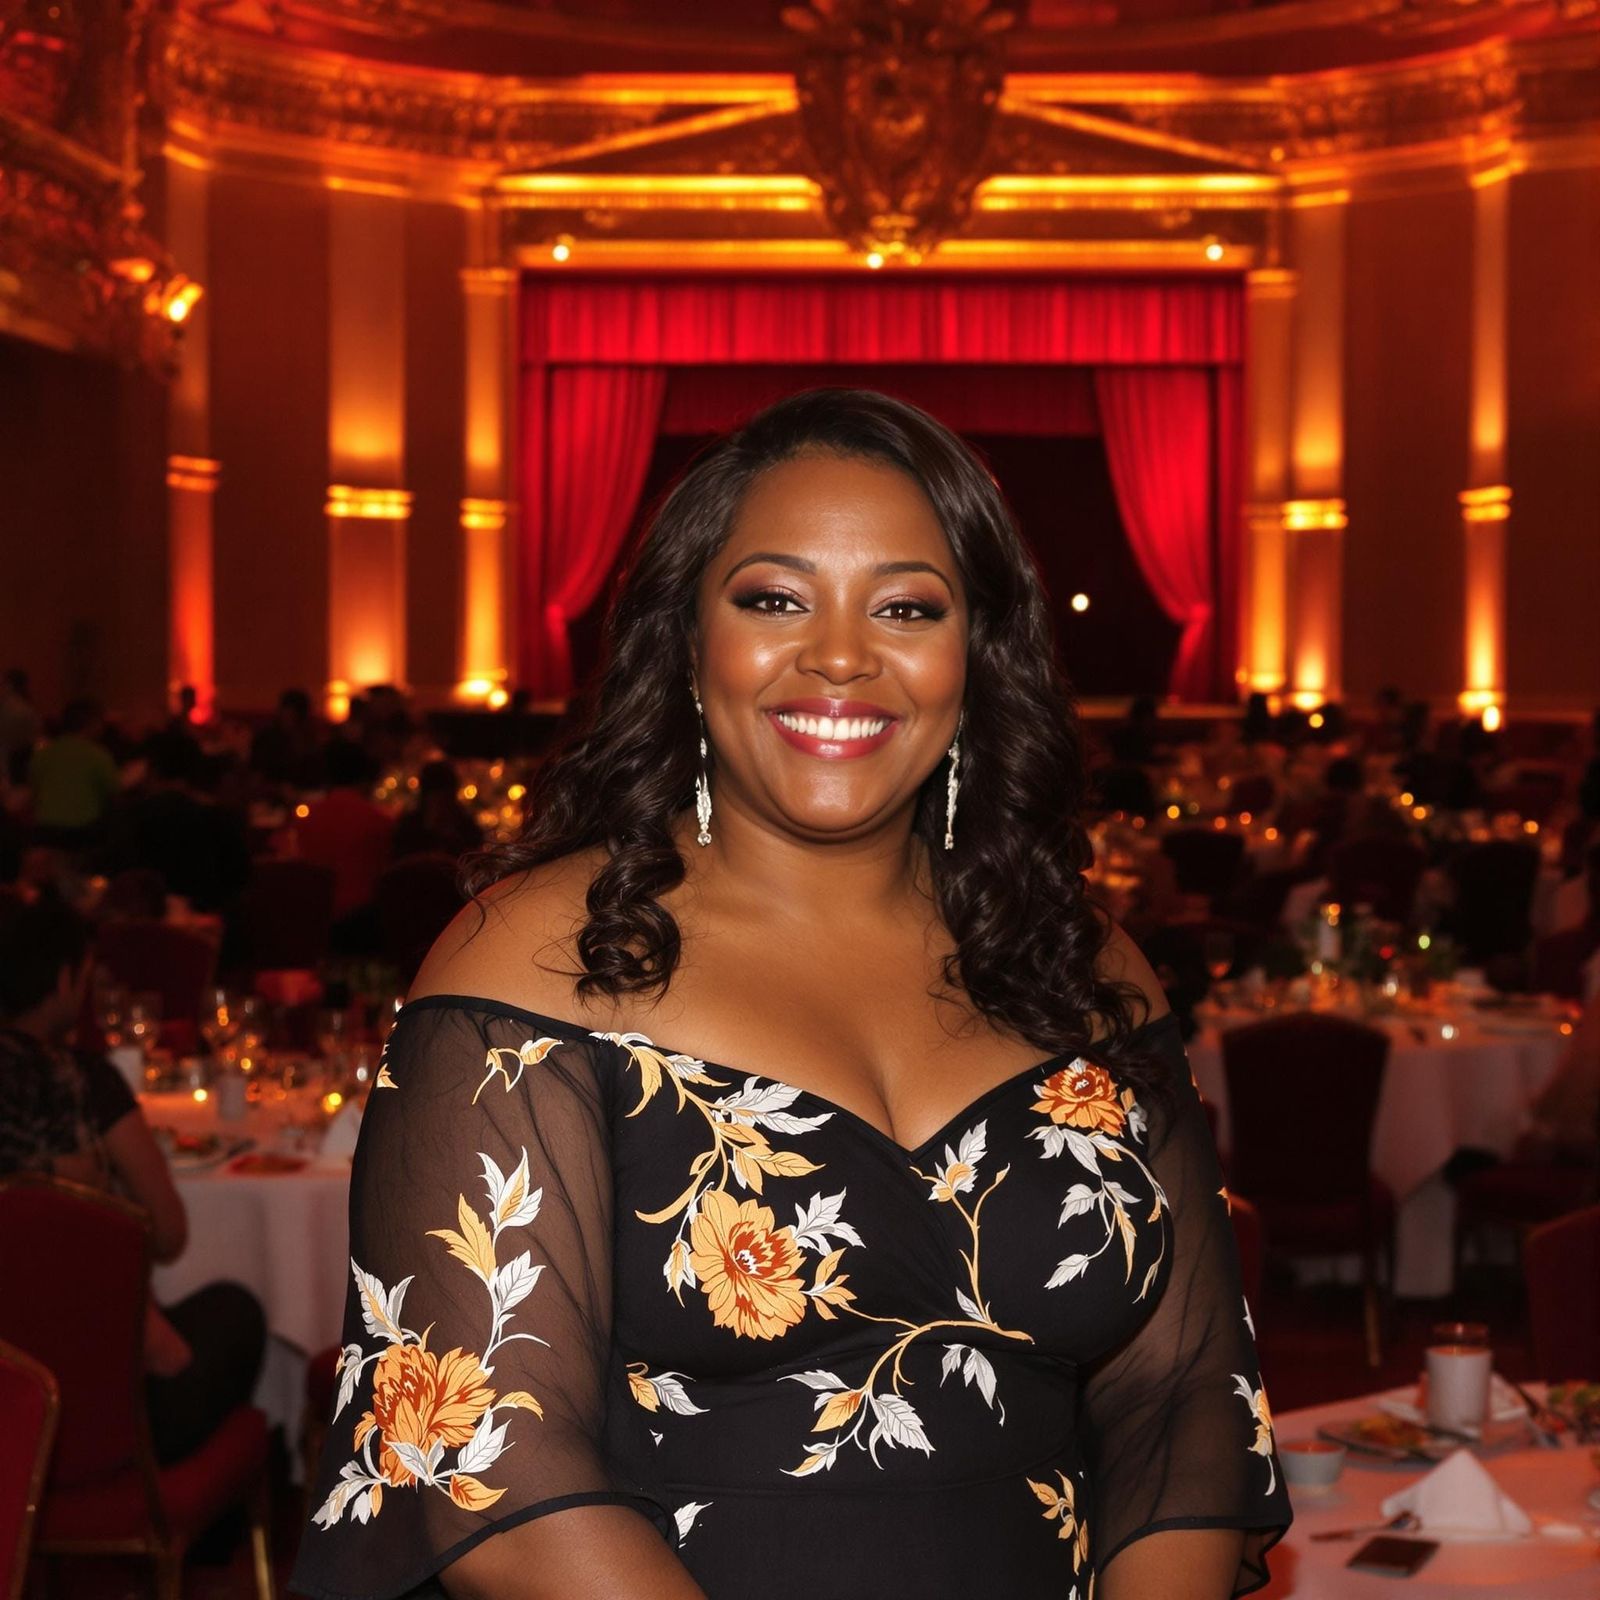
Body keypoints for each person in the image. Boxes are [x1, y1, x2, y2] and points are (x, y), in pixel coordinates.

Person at [293, 391, 1288, 1600]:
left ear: (976, 657)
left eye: (907, 608)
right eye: (773, 598)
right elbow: (486, 1462)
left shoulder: (1083, 966)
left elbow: (1180, 1391)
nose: (838, 655)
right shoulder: (535, 963)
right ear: (685, 637)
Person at [0, 892, 265, 1464]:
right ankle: (188, 1525)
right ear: (68, 979)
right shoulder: (84, 1083)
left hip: (11, 1404)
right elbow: (169, 1234)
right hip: (104, 1398)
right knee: (236, 1314)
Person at [26, 697, 120, 849]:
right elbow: (113, 793)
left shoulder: (43, 754)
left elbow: (34, 792)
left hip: (45, 830)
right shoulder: (97, 755)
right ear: (93, 723)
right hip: (83, 832)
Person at [391, 759, 484, 862]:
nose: (440, 806)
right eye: (435, 798)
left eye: (444, 799)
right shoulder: (409, 828)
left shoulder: (466, 827)